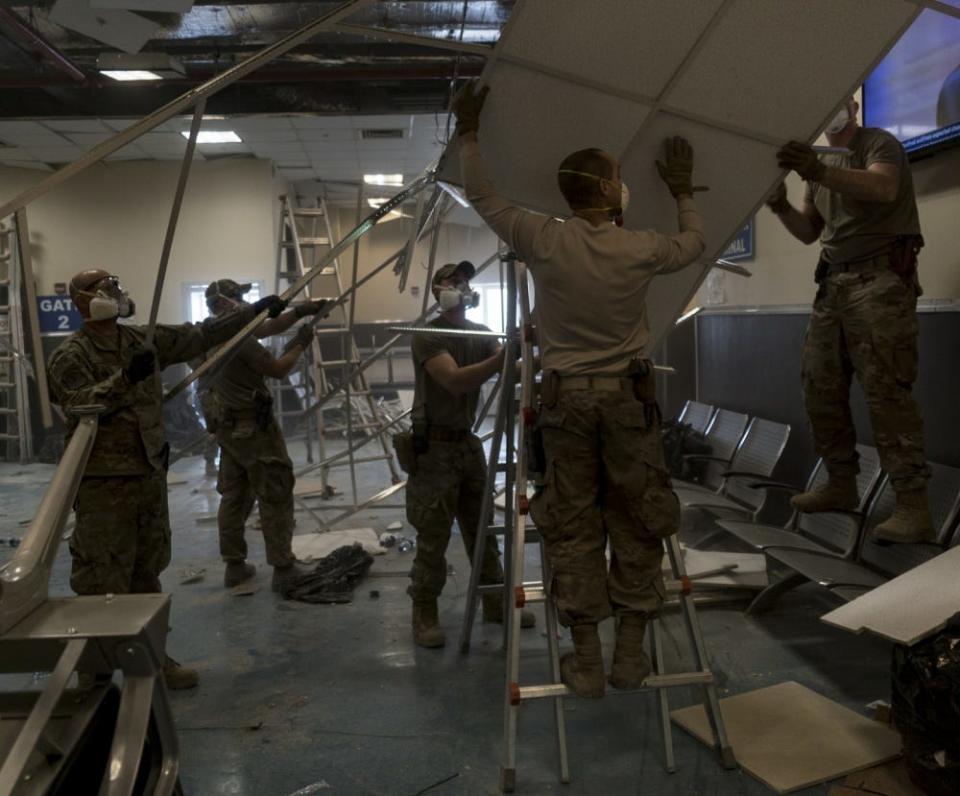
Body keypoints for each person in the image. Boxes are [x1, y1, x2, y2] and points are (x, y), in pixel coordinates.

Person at [452, 83, 706, 697]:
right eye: (617, 178)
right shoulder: (641, 248)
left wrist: (468, 131)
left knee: (572, 525)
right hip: (627, 401)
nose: (624, 185)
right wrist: (681, 194)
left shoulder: (542, 237)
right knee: (638, 520)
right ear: (603, 192)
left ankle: (587, 661)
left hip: (564, 402)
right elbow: (694, 244)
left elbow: (481, 195)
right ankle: (629, 657)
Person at [47, 269, 286, 689]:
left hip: (148, 477)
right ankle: (94, 678)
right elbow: (79, 403)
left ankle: (154, 661)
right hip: (105, 485)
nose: (114, 294)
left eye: (115, 287)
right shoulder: (71, 355)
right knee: (103, 580)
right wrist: (127, 378)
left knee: (147, 573)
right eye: (103, 289)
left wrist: (251, 314)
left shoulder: (140, 340)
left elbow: (198, 335)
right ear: (82, 301)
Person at [767, 96, 931, 544]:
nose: (834, 112)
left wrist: (816, 170)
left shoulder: (878, 144)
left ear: (854, 109)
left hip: (880, 279)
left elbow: (882, 188)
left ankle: (914, 506)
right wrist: (781, 206)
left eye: (842, 103)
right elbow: (808, 232)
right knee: (819, 385)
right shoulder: (816, 164)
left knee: (886, 393)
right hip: (834, 284)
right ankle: (841, 484)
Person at [401, 261, 537, 649]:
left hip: (466, 443)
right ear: (436, 291)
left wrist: (539, 351)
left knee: (483, 532)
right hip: (434, 450)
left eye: (464, 281)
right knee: (433, 536)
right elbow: (456, 381)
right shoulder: (427, 335)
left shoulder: (479, 333)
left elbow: (515, 369)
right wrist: (506, 354)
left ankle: (494, 603)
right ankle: (424, 612)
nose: (460, 286)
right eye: (451, 282)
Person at [201, 279, 331, 591]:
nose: (244, 305)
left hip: (227, 429)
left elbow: (263, 328)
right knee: (275, 493)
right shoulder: (237, 340)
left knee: (234, 495)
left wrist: (298, 311)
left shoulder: (205, 334)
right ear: (225, 303)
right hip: (254, 430)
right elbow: (277, 368)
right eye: (238, 300)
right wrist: (299, 343)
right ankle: (283, 568)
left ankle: (234, 566)